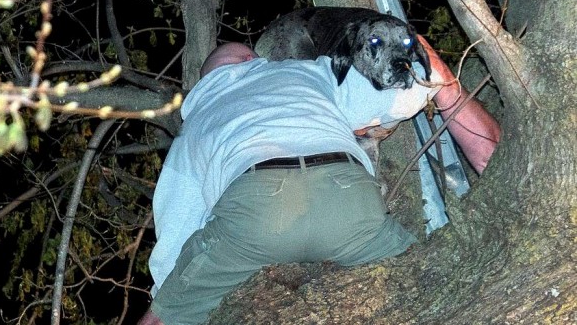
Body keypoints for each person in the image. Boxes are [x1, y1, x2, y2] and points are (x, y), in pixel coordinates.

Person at [138, 38, 500, 325]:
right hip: (348, 200)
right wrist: (442, 83)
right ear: (253, 60)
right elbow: (407, 84)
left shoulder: (199, 120)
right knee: (438, 278)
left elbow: (178, 216)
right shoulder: (306, 73)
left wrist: (171, 294)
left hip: (260, 210)